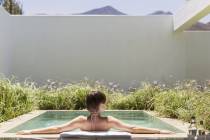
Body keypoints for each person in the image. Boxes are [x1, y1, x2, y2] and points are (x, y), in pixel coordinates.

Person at [17, 91, 173, 135]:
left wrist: (30, 131)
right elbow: (133, 129)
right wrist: (159, 130)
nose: (105, 105)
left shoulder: (80, 121)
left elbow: (57, 129)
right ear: (101, 106)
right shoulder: (109, 121)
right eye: (104, 103)